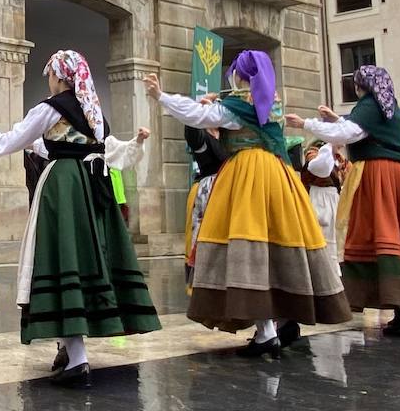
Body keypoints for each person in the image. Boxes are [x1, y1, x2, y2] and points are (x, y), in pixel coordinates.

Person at [0, 49, 161, 387]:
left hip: (63, 189)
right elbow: (72, 148)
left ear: (60, 77)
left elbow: (13, 141)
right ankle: (67, 348)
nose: (47, 79)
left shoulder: (50, 108)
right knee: (82, 263)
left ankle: (77, 358)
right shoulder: (93, 112)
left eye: (49, 73)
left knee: (61, 260)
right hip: (92, 191)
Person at [147, 52, 352, 359]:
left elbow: (196, 116)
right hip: (279, 175)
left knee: (247, 248)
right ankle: (277, 325)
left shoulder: (237, 105)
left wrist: (161, 96)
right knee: (276, 248)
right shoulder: (272, 101)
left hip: (245, 176)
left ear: (240, 77)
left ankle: (267, 331)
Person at [286, 65, 400, 336]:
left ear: (360, 85)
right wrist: (335, 120)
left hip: (379, 175)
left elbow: (350, 134)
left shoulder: (368, 104)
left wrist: (305, 124)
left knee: (382, 237)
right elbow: (361, 130)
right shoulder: (390, 107)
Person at [183, 125, 229, 292]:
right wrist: (194, 115)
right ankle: (203, 284)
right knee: (204, 235)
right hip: (209, 190)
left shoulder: (228, 136)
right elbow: (192, 134)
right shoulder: (202, 136)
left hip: (230, 187)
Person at [301, 139, 344, 264]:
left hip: (332, 198)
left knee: (333, 234)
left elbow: (347, 174)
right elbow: (320, 167)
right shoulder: (314, 154)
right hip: (320, 197)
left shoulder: (337, 158)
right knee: (322, 232)